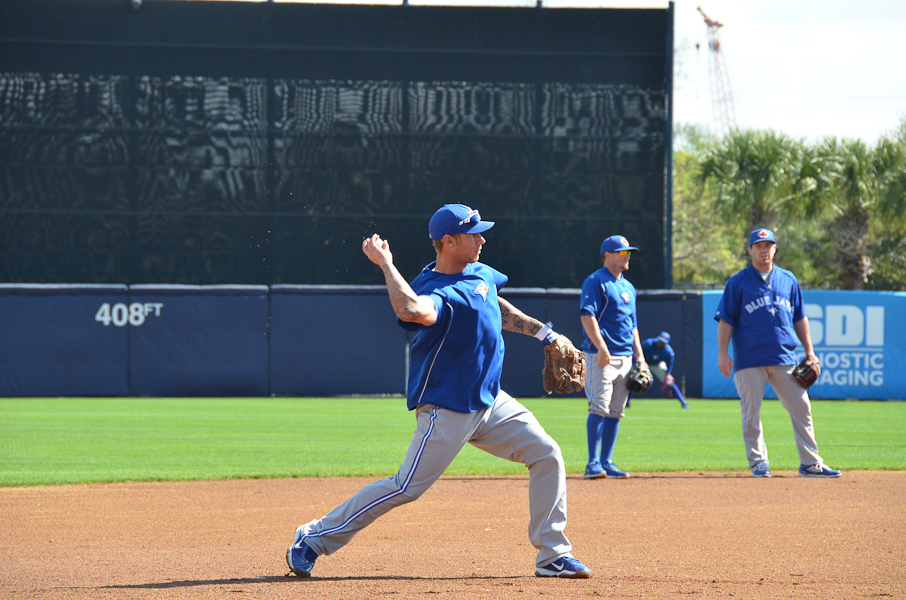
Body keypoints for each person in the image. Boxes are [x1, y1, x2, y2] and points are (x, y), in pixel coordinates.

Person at [286, 204, 591, 579]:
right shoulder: (434, 291)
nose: (482, 239)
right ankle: (314, 538)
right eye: (474, 233)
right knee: (405, 488)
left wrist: (546, 333)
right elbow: (413, 310)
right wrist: (386, 264)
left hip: (491, 401)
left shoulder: (479, 273)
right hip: (447, 408)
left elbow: (493, 301)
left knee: (547, 454)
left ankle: (552, 555)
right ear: (448, 241)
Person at [715, 228, 841, 479]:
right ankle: (759, 462)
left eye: (768, 245)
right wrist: (722, 353)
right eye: (759, 246)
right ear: (750, 250)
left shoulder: (788, 279)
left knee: (801, 407)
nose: (764, 250)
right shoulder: (738, 282)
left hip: (784, 357)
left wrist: (810, 351)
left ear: (775, 249)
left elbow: (799, 317)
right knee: (751, 413)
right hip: (749, 358)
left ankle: (810, 464)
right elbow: (726, 321)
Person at [579, 235, 647, 480]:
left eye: (628, 252)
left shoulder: (629, 287)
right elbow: (587, 316)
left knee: (616, 411)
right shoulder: (596, 281)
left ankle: (606, 461)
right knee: (599, 407)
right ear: (607, 255)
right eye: (622, 252)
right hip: (601, 357)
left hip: (626, 357)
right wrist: (601, 348)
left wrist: (640, 357)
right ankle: (592, 463)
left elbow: (633, 326)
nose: (627, 255)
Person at [634, 332, 689, 409]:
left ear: (667, 343)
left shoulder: (668, 351)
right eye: (660, 341)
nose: (661, 343)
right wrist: (637, 364)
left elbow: (670, 362)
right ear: (658, 338)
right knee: (633, 380)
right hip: (643, 363)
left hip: (656, 365)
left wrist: (668, 374)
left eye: (663, 342)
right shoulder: (648, 343)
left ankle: (683, 402)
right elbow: (638, 352)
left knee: (669, 382)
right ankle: (626, 403)